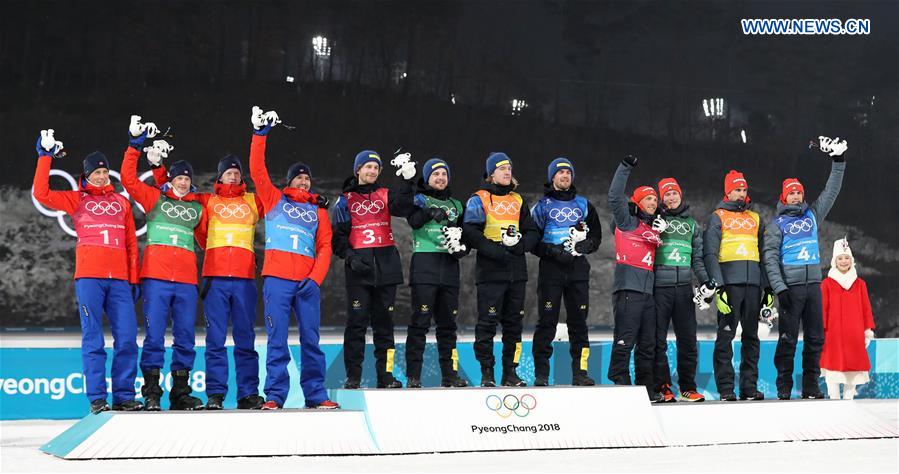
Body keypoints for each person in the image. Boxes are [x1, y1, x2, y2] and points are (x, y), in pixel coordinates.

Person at [32, 128, 142, 414]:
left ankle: (124, 396)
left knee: (128, 338)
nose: (102, 176)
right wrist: (45, 157)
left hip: (119, 280)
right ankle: (97, 399)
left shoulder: (121, 202)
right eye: (97, 173)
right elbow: (41, 193)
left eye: (105, 172)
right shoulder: (76, 199)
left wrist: (134, 277)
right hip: (90, 278)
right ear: (87, 175)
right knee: (93, 338)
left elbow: (131, 243)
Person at [154, 141, 266, 410]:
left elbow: (266, 182)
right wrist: (158, 167)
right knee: (215, 340)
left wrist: (258, 138)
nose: (234, 175)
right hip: (215, 279)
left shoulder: (252, 200)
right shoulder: (208, 201)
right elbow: (173, 192)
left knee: (245, 340)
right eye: (229, 172)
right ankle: (216, 394)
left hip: (244, 281)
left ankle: (248, 393)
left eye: (237, 172)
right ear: (219, 176)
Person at [245, 107, 340, 409]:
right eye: (298, 178)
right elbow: (257, 170)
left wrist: (315, 278)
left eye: (307, 179)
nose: (303, 182)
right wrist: (260, 134)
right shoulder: (274, 200)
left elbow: (325, 246)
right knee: (276, 340)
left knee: (311, 340)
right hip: (277, 281)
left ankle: (315, 394)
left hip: (306, 283)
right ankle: (275, 395)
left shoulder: (319, 211)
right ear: (289, 182)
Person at [120, 116, 204, 410]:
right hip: (155, 278)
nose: (183, 182)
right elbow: (128, 179)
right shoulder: (155, 198)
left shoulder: (197, 207)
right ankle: (152, 391)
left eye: (187, 178)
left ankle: (180, 392)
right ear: (171, 180)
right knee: (154, 336)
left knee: (185, 338)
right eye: (178, 177)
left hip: (186, 282)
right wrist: (135, 145)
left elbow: (208, 238)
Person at [764, 135, 847, 400]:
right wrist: (780, 288)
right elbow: (769, 258)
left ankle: (811, 386)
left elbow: (831, 191)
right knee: (788, 339)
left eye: (799, 192)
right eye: (792, 193)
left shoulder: (812, 215)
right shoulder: (776, 224)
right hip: (791, 289)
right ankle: (784, 386)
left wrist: (838, 161)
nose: (796, 195)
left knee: (815, 339)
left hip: (813, 287)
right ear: (784, 197)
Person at [331, 149, 414, 389]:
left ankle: (385, 376)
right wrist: (351, 257)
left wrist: (407, 180)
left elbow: (403, 207)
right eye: (367, 167)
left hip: (386, 269)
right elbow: (338, 239)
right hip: (360, 271)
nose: (372, 171)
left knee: (385, 326)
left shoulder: (385, 194)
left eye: (376, 168)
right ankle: (353, 376)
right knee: (356, 325)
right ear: (358, 170)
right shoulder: (344, 200)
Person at [462, 152, 539, 387]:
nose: (507, 172)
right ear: (490, 174)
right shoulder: (479, 198)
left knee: (514, 326)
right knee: (487, 324)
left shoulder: (518, 200)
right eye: (502, 168)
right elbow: (470, 231)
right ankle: (487, 373)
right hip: (491, 270)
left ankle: (510, 373)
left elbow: (533, 231)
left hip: (516, 271)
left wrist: (520, 246)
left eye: (509, 168)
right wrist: (495, 251)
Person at [529, 158, 602, 387]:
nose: (565, 176)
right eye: (560, 173)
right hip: (552, 269)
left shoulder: (584, 205)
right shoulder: (541, 206)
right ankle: (541, 374)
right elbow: (532, 241)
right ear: (552, 177)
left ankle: (580, 373)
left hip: (578, 270)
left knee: (579, 322)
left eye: (568, 173)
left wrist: (585, 246)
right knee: (547, 322)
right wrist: (552, 251)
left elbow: (596, 236)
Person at [398, 158, 470, 388]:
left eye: (444, 174)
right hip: (425, 267)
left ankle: (450, 375)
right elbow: (414, 221)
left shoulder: (458, 205)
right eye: (436, 174)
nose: (441, 178)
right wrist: (429, 211)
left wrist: (462, 250)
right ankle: (414, 376)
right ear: (427, 178)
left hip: (449, 269)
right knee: (420, 323)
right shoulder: (419, 199)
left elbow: (467, 236)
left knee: (448, 325)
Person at [704, 169, 768, 401]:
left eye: (743, 189)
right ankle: (726, 389)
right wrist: (718, 287)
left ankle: (749, 387)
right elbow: (710, 254)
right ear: (727, 192)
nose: (741, 194)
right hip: (729, 286)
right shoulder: (717, 216)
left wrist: (767, 288)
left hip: (752, 286)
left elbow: (764, 253)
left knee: (751, 337)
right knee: (725, 337)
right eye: (736, 190)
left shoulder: (756, 217)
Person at [606, 155, 666, 401]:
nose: (653, 202)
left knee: (647, 344)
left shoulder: (654, 228)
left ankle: (645, 388)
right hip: (628, 289)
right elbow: (613, 196)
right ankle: (620, 380)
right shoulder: (626, 222)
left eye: (654, 199)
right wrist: (625, 167)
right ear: (638, 202)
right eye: (648, 199)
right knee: (626, 338)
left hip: (647, 292)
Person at [652, 177, 714, 402]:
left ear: (680, 195)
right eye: (666, 194)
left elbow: (697, 258)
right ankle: (663, 386)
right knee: (657, 340)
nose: (671, 197)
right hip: (660, 288)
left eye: (674, 193)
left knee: (687, 339)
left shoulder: (691, 224)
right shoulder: (655, 218)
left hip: (684, 289)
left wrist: (706, 280)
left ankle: (687, 387)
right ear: (662, 198)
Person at [820, 238, 875, 400]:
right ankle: (834, 399)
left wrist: (867, 330)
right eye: (840, 258)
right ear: (834, 261)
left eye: (846, 258)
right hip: (833, 335)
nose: (843, 261)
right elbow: (822, 309)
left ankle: (849, 400)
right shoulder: (827, 284)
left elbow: (866, 308)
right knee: (832, 368)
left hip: (854, 335)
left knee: (853, 369)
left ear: (852, 261)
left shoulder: (860, 284)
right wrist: (820, 331)